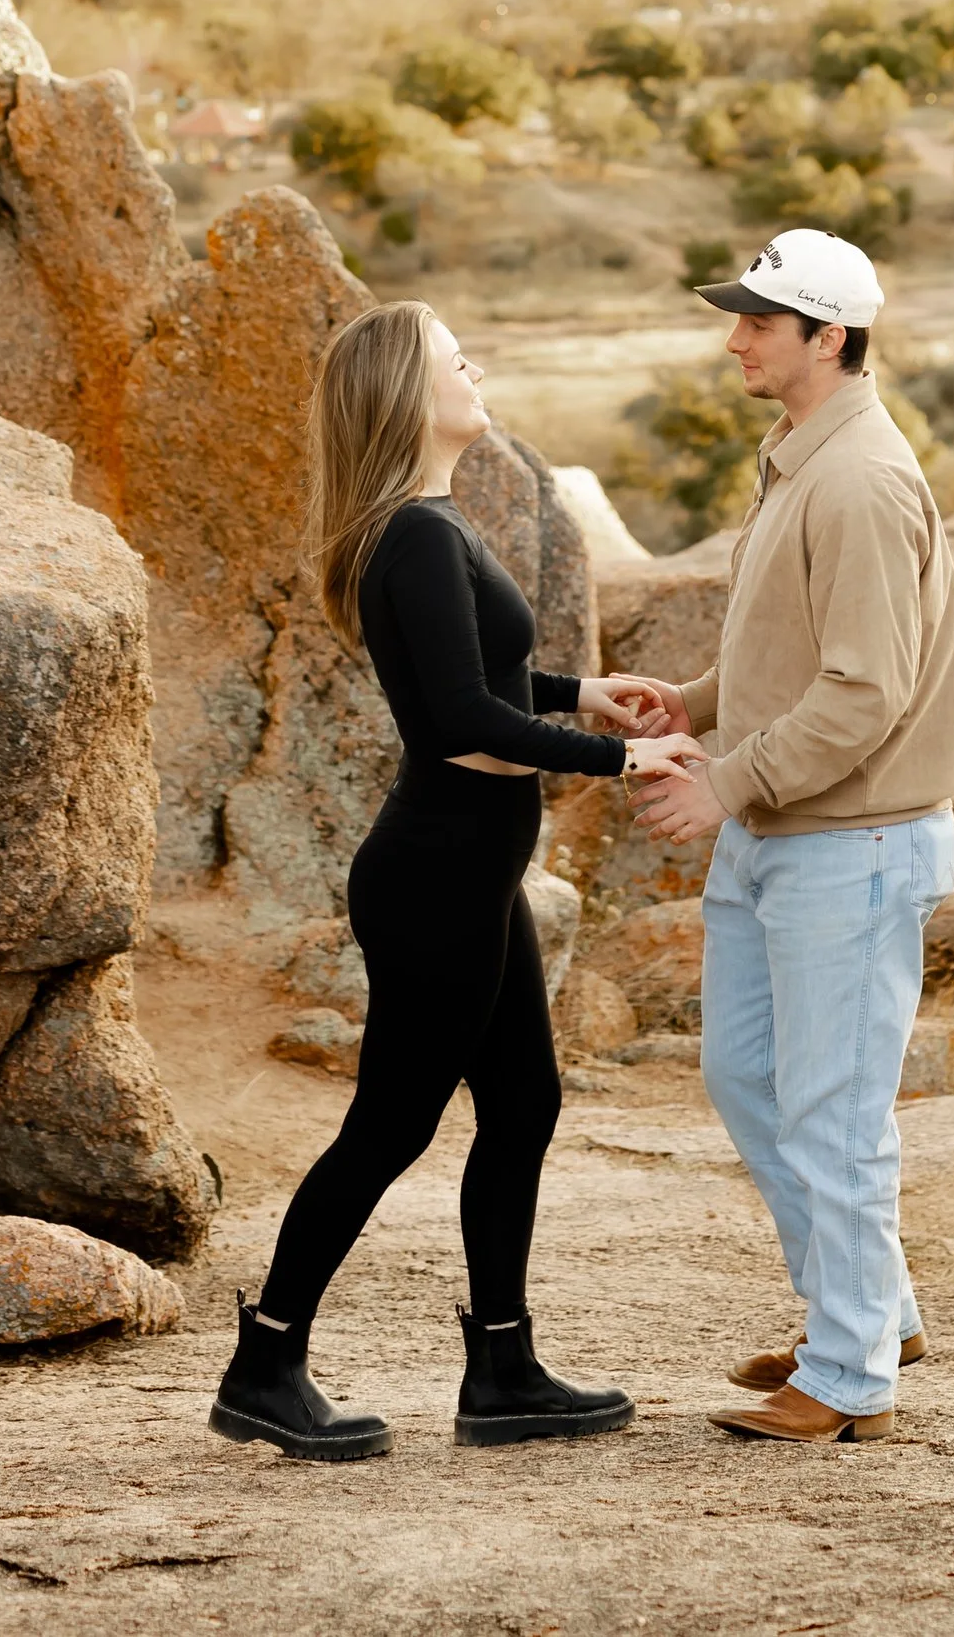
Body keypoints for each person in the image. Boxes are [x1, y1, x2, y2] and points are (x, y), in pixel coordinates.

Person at [210, 301, 692, 1461]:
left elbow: (489, 677)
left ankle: (504, 1369)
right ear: (402, 396)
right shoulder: (413, 535)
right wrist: (624, 758)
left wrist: (583, 695)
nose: (473, 367)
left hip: (468, 874)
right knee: (389, 1125)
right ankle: (265, 1362)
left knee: (522, 1106)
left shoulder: (428, 521)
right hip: (433, 879)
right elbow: (456, 721)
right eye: (451, 358)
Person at [632, 228, 954, 1443]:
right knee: (747, 1078)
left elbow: (863, 691)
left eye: (758, 324)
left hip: (854, 844)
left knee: (833, 1110)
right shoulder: (798, 457)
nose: (734, 341)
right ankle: (870, 1305)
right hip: (787, 832)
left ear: (827, 337)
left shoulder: (862, 481)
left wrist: (723, 781)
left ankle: (848, 1376)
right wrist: (695, 706)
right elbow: (790, 644)